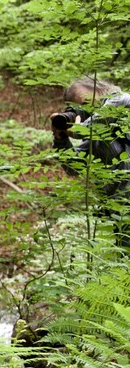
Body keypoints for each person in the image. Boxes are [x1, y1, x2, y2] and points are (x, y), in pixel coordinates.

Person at [50, 76, 130, 247]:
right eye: (78, 108)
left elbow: (92, 126)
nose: (85, 109)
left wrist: (76, 130)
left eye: (86, 102)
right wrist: (60, 138)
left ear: (97, 88)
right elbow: (72, 167)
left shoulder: (122, 101)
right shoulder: (96, 139)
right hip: (122, 209)